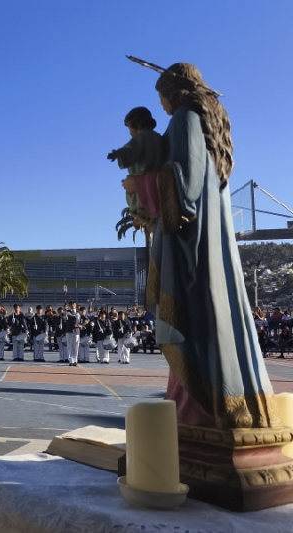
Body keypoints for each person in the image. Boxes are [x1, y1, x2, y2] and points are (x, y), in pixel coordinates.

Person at [124, 62, 276, 429]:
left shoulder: (185, 121)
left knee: (193, 324)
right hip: (209, 242)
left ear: (173, 94)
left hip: (189, 246)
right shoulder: (212, 130)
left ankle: (200, 411)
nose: (159, 105)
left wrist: (138, 187)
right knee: (212, 320)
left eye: (161, 96)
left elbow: (184, 191)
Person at [108, 106, 165, 222]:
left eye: (130, 128)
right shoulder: (159, 138)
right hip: (158, 184)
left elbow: (130, 151)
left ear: (137, 125)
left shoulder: (140, 138)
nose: (130, 133)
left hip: (142, 185)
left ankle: (141, 214)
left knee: (139, 204)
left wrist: (118, 154)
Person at [64, 302, 81, 367]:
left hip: (77, 331)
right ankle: (71, 360)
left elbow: (85, 319)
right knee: (70, 346)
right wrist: (65, 310)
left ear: (76, 305)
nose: (73, 306)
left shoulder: (79, 312)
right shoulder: (67, 312)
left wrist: (82, 325)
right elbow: (65, 318)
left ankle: (75, 360)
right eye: (71, 305)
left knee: (76, 346)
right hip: (70, 331)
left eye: (74, 304)